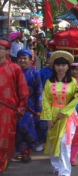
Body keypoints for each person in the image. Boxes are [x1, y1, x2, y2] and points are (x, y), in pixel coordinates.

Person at [40, 51, 78, 176]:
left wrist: (64, 111)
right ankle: (56, 166)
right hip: (52, 114)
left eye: (63, 65)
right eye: (58, 65)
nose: (60, 68)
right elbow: (45, 100)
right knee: (53, 141)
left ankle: (65, 171)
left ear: (68, 67)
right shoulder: (49, 82)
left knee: (64, 143)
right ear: (53, 66)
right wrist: (48, 118)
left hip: (68, 116)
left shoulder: (73, 82)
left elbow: (75, 98)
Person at [0, 39, 29, 173]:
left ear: (7, 51)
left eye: (1, 48)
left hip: (7, 109)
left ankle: (2, 162)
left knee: (4, 137)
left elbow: (23, 91)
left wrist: (20, 108)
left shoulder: (15, 68)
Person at [15, 49, 43, 163]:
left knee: (24, 126)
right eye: (20, 58)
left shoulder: (35, 73)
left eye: (25, 58)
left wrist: (38, 108)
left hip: (29, 105)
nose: (22, 60)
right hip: (13, 104)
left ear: (30, 60)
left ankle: (26, 152)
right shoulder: (13, 71)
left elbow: (39, 91)